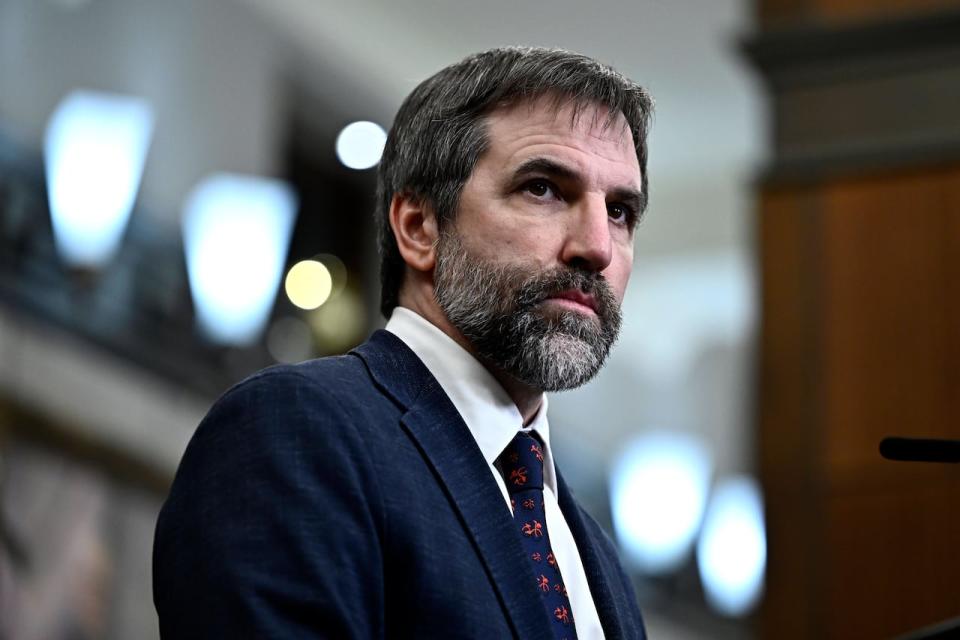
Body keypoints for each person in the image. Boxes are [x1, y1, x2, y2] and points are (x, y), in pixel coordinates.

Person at [154, 46, 652, 639]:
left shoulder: (595, 554)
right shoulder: (295, 431)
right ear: (419, 227)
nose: (597, 246)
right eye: (543, 188)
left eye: (620, 210)